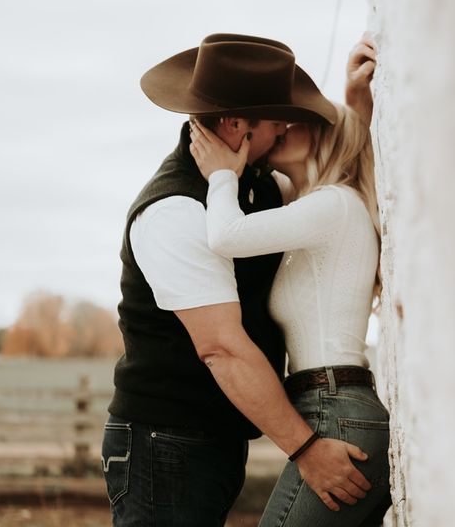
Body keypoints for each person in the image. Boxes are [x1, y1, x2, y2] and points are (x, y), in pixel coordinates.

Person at [101, 33, 373, 527]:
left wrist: (358, 107)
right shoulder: (175, 210)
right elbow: (221, 348)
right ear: (235, 125)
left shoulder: (257, 184)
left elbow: (332, 182)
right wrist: (305, 448)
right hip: (164, 440)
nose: (285, 130)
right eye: (276, 122)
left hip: (214, 437)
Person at [189, 35, 391, 526]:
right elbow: (348, 143)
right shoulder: (314, 206)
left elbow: (227, 235)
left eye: (303, 121)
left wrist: (220, 176)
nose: (284, 125)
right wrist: (356, 102)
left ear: (329, 134)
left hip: (336, 406)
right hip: (330, 406)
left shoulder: (334, 205)